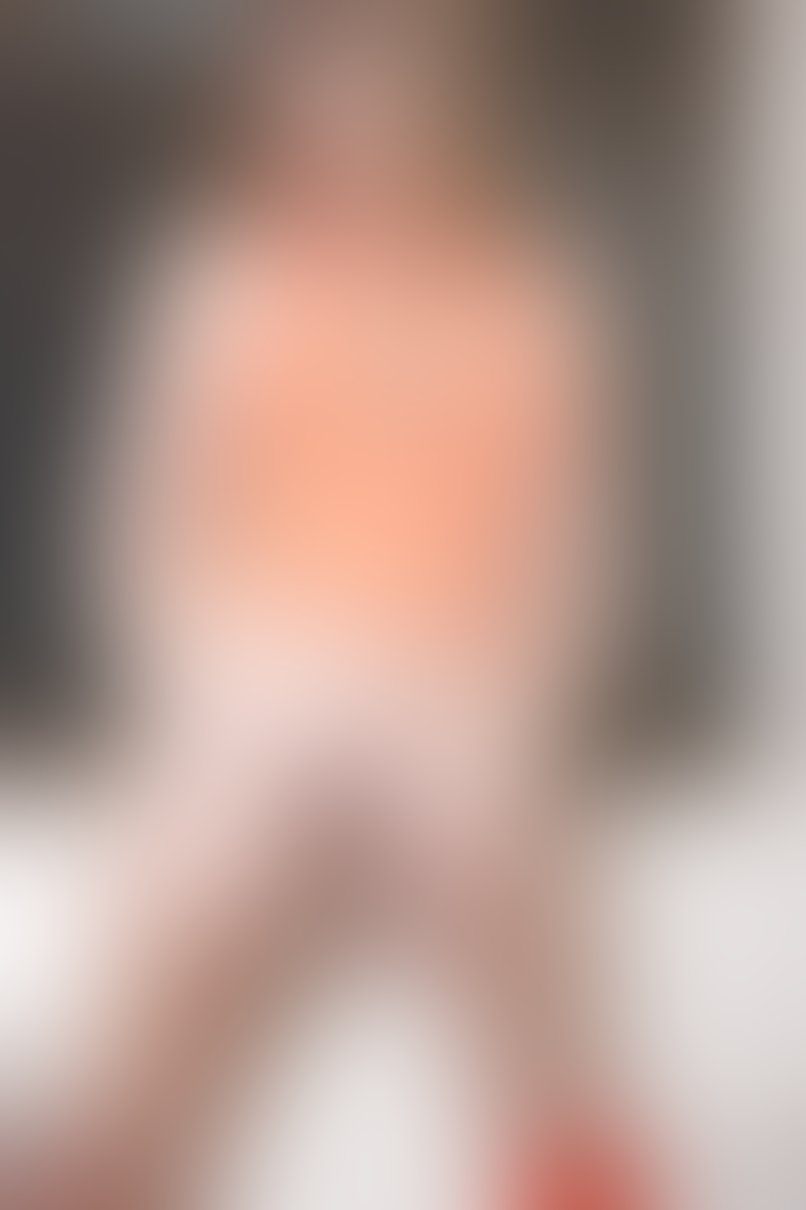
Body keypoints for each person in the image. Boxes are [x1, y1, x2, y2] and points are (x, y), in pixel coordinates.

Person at [66, 2, 645, 1206]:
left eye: (389, 101)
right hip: (266, 660)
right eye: (332, 102)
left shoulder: (524, 294)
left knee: (517, 905)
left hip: (450, 670)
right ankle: (90, 1173)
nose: (361, 132)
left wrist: (512, 700)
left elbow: (570, 543)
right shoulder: (224, 285)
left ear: (448, 123)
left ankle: (577, 1179)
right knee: (194, 922)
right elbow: (153, 525)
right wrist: (215, 693)